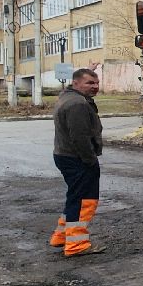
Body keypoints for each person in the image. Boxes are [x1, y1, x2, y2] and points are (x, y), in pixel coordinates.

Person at [51, 67, 104, 257]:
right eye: (89, 83)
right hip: (77, 158)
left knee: (74, 197)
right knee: (84, 201)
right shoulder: (78, 104)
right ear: (76, 83)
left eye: (96, 83)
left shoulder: (68, 98)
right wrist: (90, 160)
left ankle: (62, 236)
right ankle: (76, 244)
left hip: (66, 156)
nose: (95, 86)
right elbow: (80, 137)